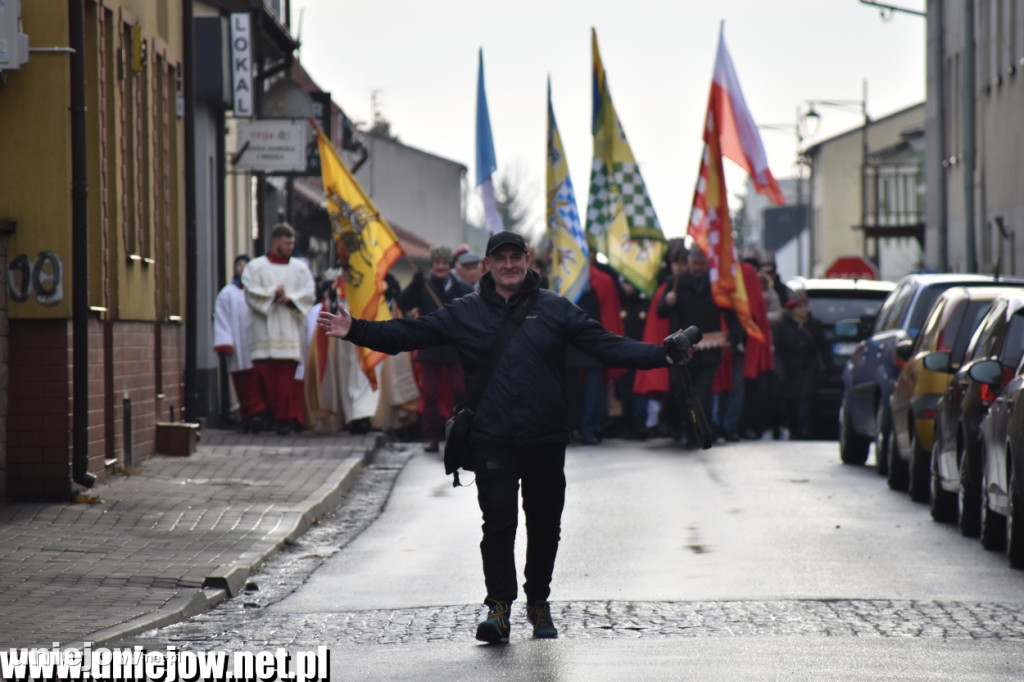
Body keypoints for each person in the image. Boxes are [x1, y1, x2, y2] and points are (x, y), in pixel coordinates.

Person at [317, 230, 690, 644]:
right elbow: (409, 334)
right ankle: (498, 607)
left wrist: (663, 354)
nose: (509, 265)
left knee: (545, 526)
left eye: (516, 257)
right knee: (498, 524)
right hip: (492, 437)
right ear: (489, 265)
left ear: (527, 260)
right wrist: (356, 330)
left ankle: (538, 602)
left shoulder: (555, 309)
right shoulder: (465, 312)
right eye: (501, 258)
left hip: (545, 436)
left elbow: (609, 347)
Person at [657, 247, 743, 444]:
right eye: (694, 264)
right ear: (689, 264)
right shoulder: (674, 283)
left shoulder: (716, 285)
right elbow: (661, 313)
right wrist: (668, 302)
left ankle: (700, 430)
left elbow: (730, 313)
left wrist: (735, 336)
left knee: (704, 394)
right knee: (682, 394)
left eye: (701, 264)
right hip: (681, 349)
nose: (697, 268)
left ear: (707, 265)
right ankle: (687, 428)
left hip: (709, 350)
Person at [396, 246, 473, 452]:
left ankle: (459, 432)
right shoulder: (424, 286)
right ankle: (432, 437)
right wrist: (415, 284)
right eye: (437, 263)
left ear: (450, 265)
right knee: (430, 395)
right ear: (432, 266)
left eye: (444, 263)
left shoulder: (463, 289)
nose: (440, 267)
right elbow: (403, 303)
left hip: (455, 349)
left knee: (460, 392)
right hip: (430, 347)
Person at [242, 223, 316, 435]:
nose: (290, 246)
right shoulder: (256, 267)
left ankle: (284, 419)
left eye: (292, 242)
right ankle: (263, 416)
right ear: (275, 242)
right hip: (263, 331)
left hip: (289, 329)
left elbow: (309, 293)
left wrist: (290, 298)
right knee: (262, 376)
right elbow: (250, 290)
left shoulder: (300, 268)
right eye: (286, 242)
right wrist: (273, 293)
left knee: (285, 382)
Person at [774, 288, 831, 440]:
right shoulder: (783, 326)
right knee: (790, 400)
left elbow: (824, 348)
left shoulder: (814, 325)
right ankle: (792, 428)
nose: (803, 309)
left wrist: (828, 369)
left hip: (808, 368)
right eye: (800, 306)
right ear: (792, 309)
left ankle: (804, 428)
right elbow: (777, 350)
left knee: (806, 400)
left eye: (805, 306)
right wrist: (779, 370)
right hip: (789, 369)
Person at [213, 254, 259, 431]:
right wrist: (225, 342)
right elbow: (222, 318)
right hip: (238, 346)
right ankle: (249, 417)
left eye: (247, 265)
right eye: (240, 264)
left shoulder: (257, 292)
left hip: (255, 344)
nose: (243, 268)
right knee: (242, 383)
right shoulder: (227, 293)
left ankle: (259, 414)